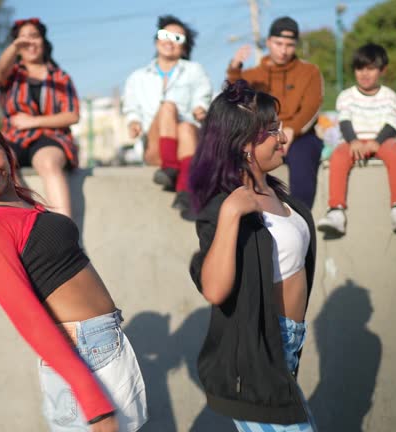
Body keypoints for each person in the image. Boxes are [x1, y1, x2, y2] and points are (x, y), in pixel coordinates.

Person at [0, 100, 148, 432]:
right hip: (83, 356)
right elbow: (30, 320)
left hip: (104, 344)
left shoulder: (15, 200)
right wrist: (94, 404)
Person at [189, 80, 317, 431]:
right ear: (245, 144)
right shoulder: (224, 206)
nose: (283, 136)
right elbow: (214, 290)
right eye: (272, 129)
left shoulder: (280, 196)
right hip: (255, 356)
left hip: (286, 348)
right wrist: (231, 215)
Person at [317, 43, 396, 236]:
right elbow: (345, 120)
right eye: (360, 68)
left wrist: (377, 142)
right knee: (338, 155)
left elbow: (392, 123)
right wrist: (353, 141)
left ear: (382, 70)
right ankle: (335, 211)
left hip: (382, 141)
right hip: (353, 140)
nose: (364, 73)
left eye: (371, 68)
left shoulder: (390, 96)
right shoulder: (346, 96)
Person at [227, 16, 324, 209]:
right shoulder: (253, 75)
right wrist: (235, 68)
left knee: (304, 156)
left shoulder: (310, 71)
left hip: (299, 136)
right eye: (279, 43)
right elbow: (233, 97)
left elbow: (312, 107)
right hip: (261, 135)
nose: (284, 50)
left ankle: (300, 216)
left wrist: (292, 129)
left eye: (289, 44)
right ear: (269, 42)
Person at [123, 15, 213, 220]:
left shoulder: (194, 71)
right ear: (156, 40)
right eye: (166, 35)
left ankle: (183, 191)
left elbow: (203, 96)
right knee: (168, 107)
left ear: (185, 47)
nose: (170, 41)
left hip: (186, 144)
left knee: (186, 128)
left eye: (178, 38)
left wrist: (200, 109)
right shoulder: (137, 77)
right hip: (155, 148)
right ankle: (173, 171)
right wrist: (134, 122)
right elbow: (131, 108)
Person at [0, 18, 79, 217]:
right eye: (23, 38)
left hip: (51, 137)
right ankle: (28, 225)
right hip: (14, 138)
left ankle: (65, 236)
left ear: (43, 41)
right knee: (0, 162)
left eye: (34, 36)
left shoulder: (60, 77)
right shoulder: (12, 74)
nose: (30, 42)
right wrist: (16, 45)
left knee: (48, 162)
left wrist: (33, 121)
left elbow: (72, 115)